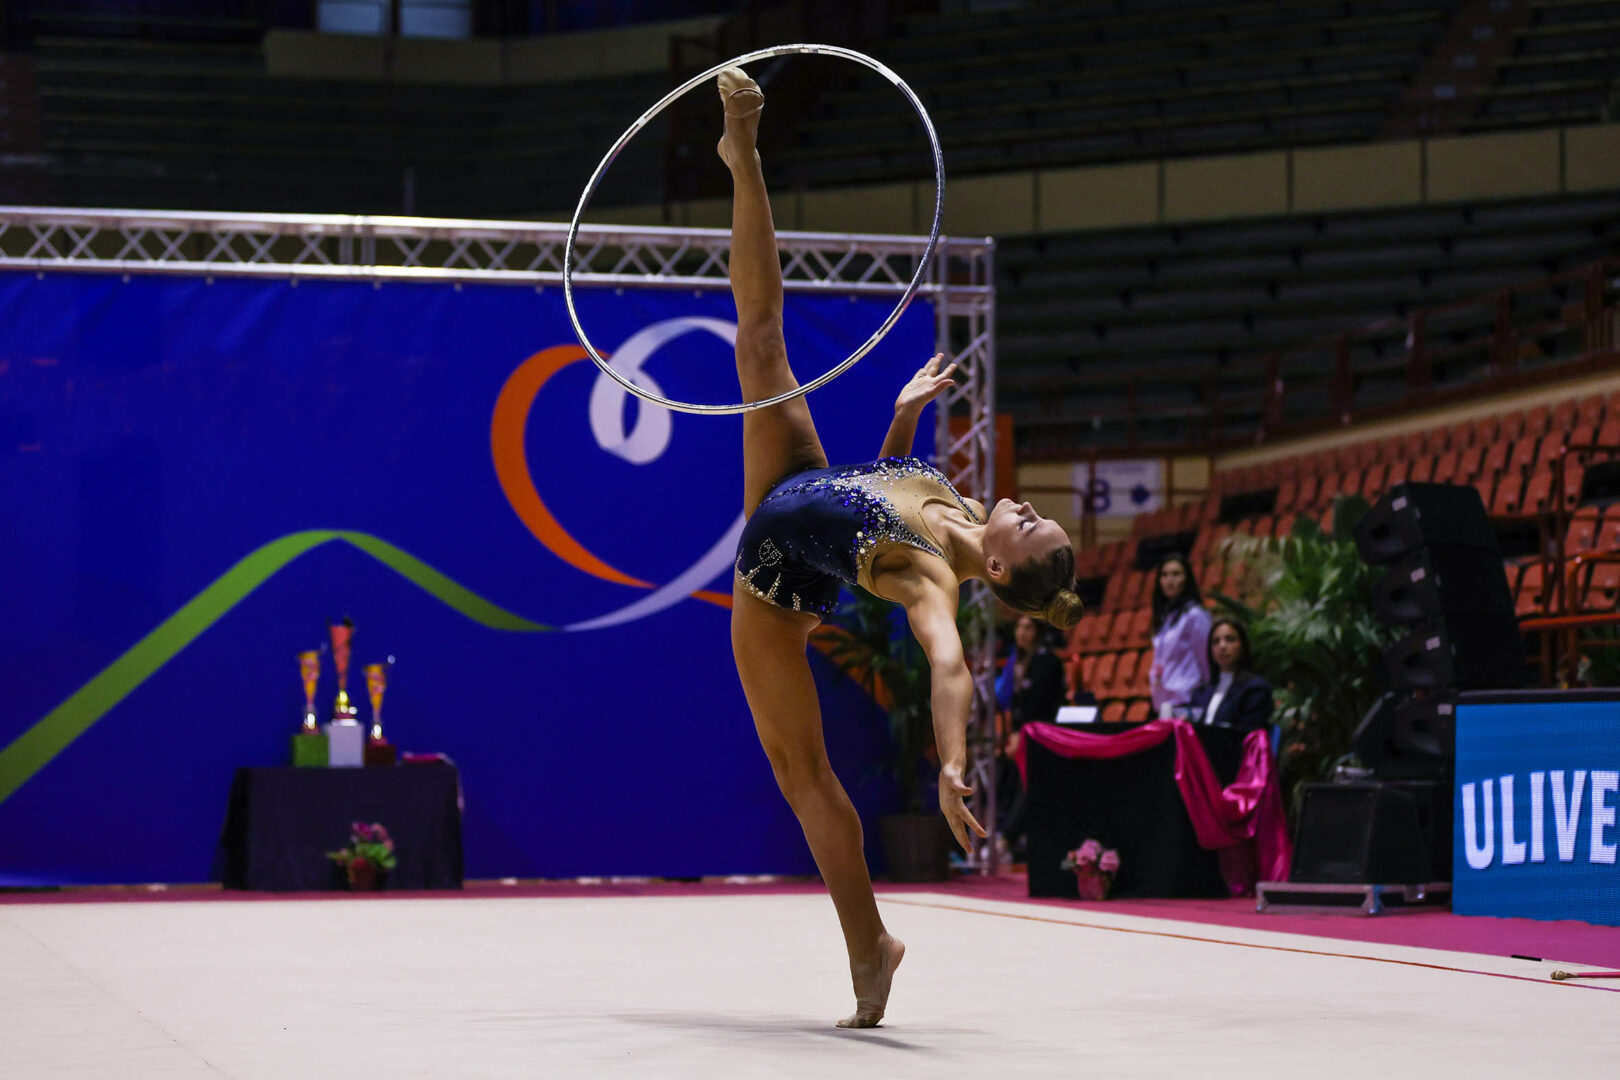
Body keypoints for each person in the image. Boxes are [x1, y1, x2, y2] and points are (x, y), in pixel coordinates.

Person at [717, 67, 1082, 1028]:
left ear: (998, 569)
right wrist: (897, 422)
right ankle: (743, 151)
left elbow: (949, 663)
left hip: (773, 583)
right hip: (792, 483)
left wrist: (954, 762)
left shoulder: (931, 578)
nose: (1030, 505)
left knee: (807, 778)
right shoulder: (953, 500)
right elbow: (867, 507)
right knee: (759, 338)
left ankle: (868, 947)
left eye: (1034, 525)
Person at [994, 613, 1065, 858]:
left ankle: (1007, 838)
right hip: (1017, 735)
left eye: (1028, 627)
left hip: (1041, 735)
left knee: (1027, 782)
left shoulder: (1048, 663)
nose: (1022, 632)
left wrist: (1023, 735)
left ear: (1037, 631)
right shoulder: (1014, 662)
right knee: (1002, 773)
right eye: (1019, 627)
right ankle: (1000, 833)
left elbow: (1042, 706)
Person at [1184, 616, 1274, 733]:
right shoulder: (1200, 693)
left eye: (1230, 639)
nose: (1222, 646)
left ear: (1242, 646)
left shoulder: (1255, 689)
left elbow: (1247, 736)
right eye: (1216, 641)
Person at [1147, 553, 1210, 719]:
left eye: (1176, 574)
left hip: (1187, 700)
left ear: (1187, 578)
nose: (1169, 580)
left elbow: (1206, 660)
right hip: (1163, 702)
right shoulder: (1164, 618)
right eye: (1164, 575)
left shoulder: (1195, 615)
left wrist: (1205, 697)